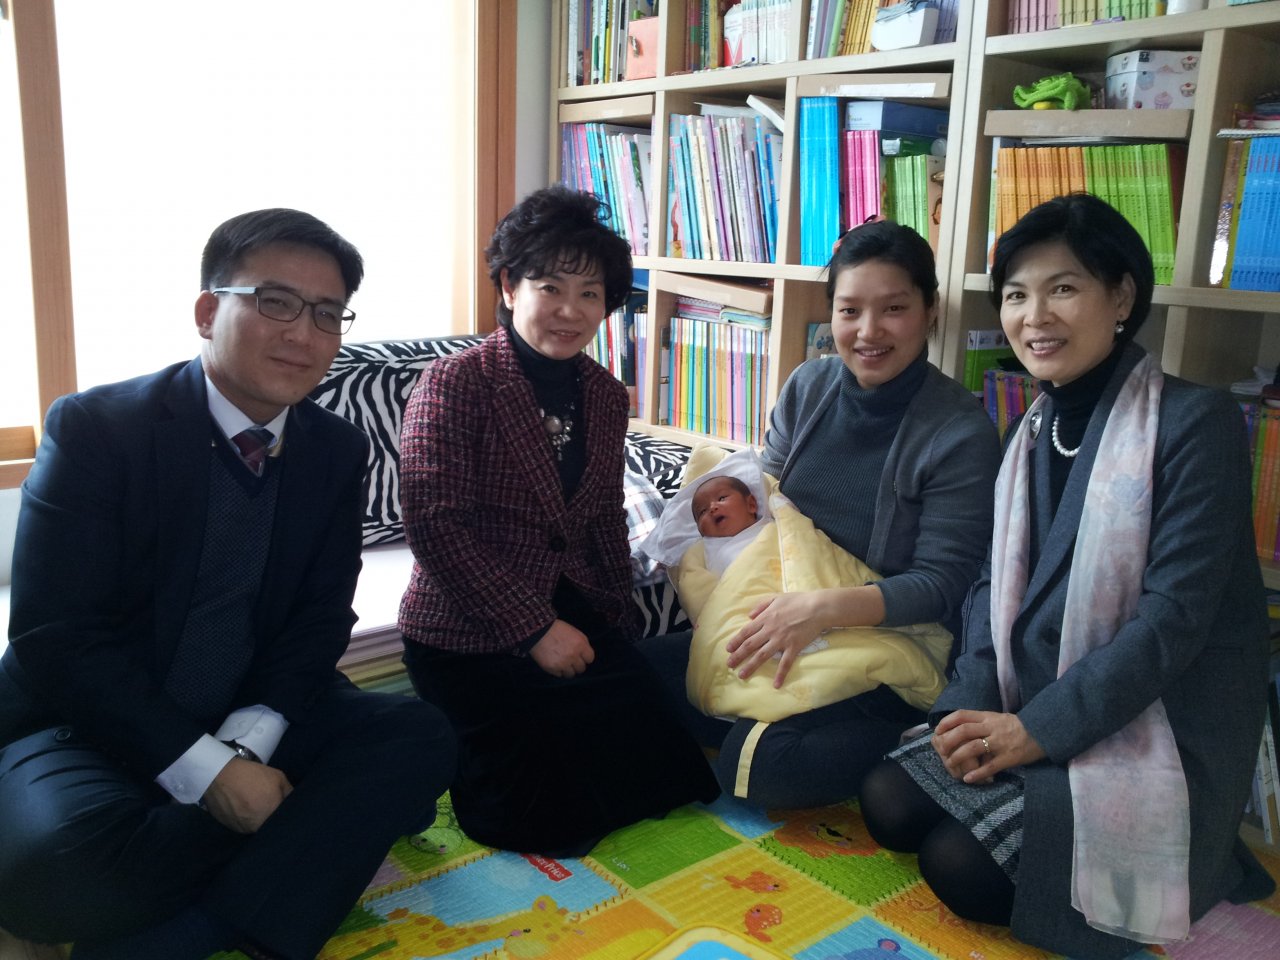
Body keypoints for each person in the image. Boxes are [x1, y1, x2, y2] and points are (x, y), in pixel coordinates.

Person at [0, 209, 457, 960]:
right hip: (90, 722)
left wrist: (243, 750)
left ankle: (194, 930)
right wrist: (209, 772)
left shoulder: (334, 448)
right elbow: (57, 639)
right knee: (48, 868)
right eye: (275, 302)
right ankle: (291, 867)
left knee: (420, 737)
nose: (303, 333)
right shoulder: (97, 429)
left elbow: (320, 616)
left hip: (247, 707)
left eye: (327, 313)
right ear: (208, 311)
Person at [859, 193, 1276, 959]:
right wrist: (966, 710)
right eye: (1017, 295)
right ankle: (1023, 785)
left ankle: (1166, 857)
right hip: (1032, 696)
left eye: (1063, 288)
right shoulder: (1031, 427)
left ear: (1120, 298)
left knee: (960, 864)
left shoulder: (1197, 421)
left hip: (1153, 730)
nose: (1035, 316)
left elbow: (1170, 625)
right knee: (888, 799)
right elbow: (989, 587)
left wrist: (1035, 732)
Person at [397, 184, 719, 858]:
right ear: (510, 286)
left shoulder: (602, 394)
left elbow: (601, 517)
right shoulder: (455, 383)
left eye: (590, 293)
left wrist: (615, 622)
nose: (571, 311)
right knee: (539, 822)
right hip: (467, 623)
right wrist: (534, 629)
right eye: (551, 287)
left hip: (569, 605)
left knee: (670, 772)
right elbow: (434, 525)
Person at [641, 219, 1002, 809]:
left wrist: (819, 610)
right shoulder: (809, 385)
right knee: (631, 673)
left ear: (930, 310)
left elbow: (942, 586)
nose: (868, 331)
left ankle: (904, 732)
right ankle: (762, 721)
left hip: (882, 638)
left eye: (894, 309)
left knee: (757, 767)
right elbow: (766, 509)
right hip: (782, 612)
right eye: (849, 310)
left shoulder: (960, 432)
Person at [643, 445, 955, 735]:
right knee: (651, 674)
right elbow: (698, 590)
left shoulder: (775, 528)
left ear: (752, 504)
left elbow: (811, 555)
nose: (711, 508)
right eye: (700, 512)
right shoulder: (702, 552)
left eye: (722, 498)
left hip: (813, 610)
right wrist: (709, 619)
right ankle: (750, 711)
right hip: (742, 623)